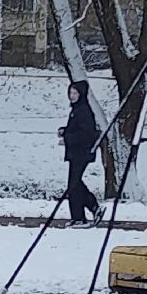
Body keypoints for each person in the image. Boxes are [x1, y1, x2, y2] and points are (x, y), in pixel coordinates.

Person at [59, 80, 103, 228]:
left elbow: (86, 134)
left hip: (81, 153)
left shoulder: (83, 110)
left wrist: (67, 139)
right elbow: (77, 129)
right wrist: (65, 131)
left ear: (81, 94)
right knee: (75, 184)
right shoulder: (77, 109)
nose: (72, 96)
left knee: (74, 184)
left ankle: (82, 216)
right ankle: (88, 211)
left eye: (75, 93)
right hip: (76, 153)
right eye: (70, 93)